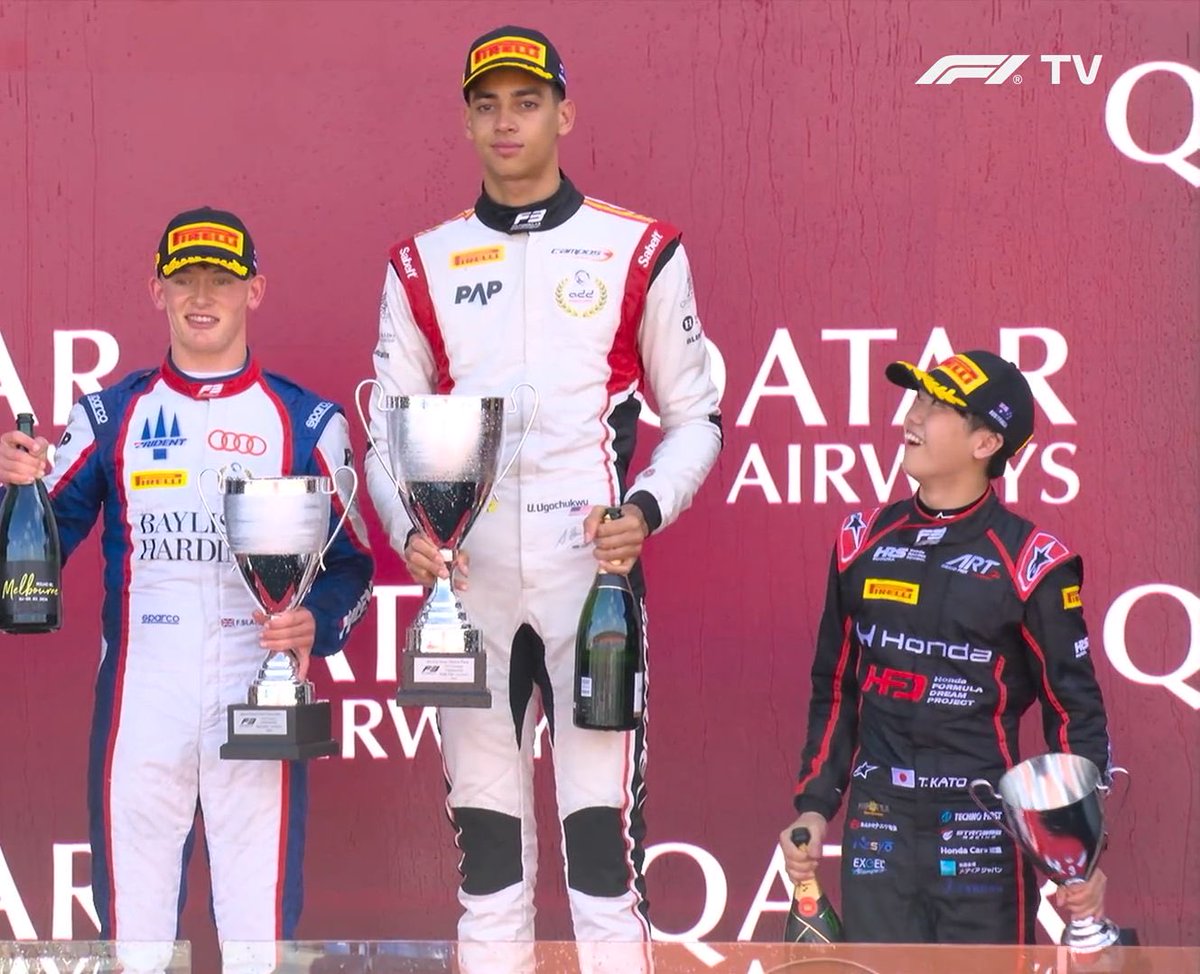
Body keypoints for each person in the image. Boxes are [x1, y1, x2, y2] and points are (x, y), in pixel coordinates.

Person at [365, 24, 722, 955]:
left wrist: (643, 511)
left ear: (564, 114)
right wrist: (410, 531)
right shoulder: (423, 262)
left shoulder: (638, 248)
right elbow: (385, 440)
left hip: (588, 584)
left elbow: (697, 419)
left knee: (603, 860)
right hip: (469, 587)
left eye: (527, 102)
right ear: (466, 124)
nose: (506, 122)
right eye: (487, 106)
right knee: (487, 864)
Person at [0, 207, 374, 948]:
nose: (202, 297)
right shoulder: (109, 415)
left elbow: (352, 567)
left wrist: (317, 624)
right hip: (143, 697)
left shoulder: (306, 422)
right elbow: (33, 553)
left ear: (254, 290)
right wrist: (16, 490)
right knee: (135, 943)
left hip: (257, 686)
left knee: (259, 940)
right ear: (157, 291)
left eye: (221, 280)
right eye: (184, 279)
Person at [779, 350, 1112, 943]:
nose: (912, 416)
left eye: (937, 406)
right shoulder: (861, 541)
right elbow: (835, 689)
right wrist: (814, 804)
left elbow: (1074, 711)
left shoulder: (1034, 562)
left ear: (986, 442)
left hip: (980, 826)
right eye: (916, 398)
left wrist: (1078, 850)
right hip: (878, 821)